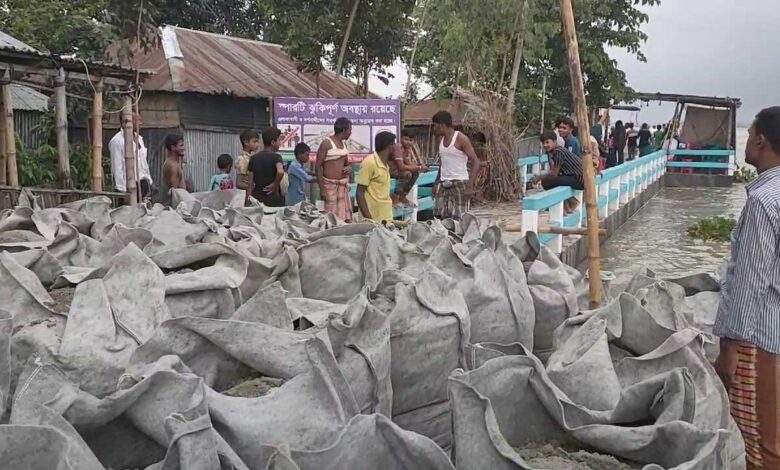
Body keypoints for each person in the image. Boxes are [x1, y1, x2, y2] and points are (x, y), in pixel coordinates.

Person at [713, 106, 780, 469]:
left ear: (759, 140)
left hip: (760, 342)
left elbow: (750, 282)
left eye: (750, 133)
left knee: (758, 445)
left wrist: (730, 348)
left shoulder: (763, 201)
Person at [431, 111, 481, 220]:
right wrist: (436, 183)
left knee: (459, 218)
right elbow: (442, 163)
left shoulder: (461, 139)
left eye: (434, 126)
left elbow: (476, 162)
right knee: (440, 217)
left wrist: (470, 186)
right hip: (444, 183)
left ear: (442, 125)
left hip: (459, 183)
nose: (433, 129)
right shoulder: (441, 140)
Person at [532, 130, 584, 214]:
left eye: (547, 142)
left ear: (555, 141)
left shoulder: (558, 152)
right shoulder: (558, 150)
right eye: (543, 143)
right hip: (576, 178)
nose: (545, 145)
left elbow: (554, 174)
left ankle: (570, 204)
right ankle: (567, 206)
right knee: (552, 181)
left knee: (547, 182)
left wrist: (539, 177)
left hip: (579, 179)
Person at [109, 113, 153, 200]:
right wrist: (123, 192)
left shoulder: (139, 138)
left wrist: (150, 181)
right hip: (129, 186)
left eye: (140, 120)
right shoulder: (117, 141)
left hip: (143, 184)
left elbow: (143, 164)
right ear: (124, 122)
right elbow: (117, 168)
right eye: (136, 120)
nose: (140, 123)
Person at [317, 117, 354, 221]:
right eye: (350, 130)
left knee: (344, 218)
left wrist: (349, 168)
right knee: (331, 218)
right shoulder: (326, 143)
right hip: (330, 188)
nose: (350, 133)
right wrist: (322, 189)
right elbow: (318, 166)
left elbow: (347, 164)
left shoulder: (344, 144)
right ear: (344, 130)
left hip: (342, 187)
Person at [356, 131, 395, 223]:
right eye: (394, 145)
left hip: (385, 216)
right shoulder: (369, 163)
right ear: (389, 146)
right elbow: (359, 193)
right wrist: (369, 219)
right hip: (372, 219)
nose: (395, 149)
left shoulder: (385, 164)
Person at [248, 127, 285, 207]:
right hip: (273, 198)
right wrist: (275, 184)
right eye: (279, 140)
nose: (280, 142)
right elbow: (280, 171)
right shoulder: (276, 157)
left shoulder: (253, 158)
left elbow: (250, 184)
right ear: (273, 142)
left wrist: (247, 201)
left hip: (257, 198)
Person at [391, 128, 429, 207]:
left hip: (397, 170)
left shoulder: (407, 149)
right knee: (407, 174)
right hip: (390, 170)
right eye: (406, 139)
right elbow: (401, 167)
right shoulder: (398, 147)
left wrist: (420, 167)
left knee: (415, 173)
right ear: (401, 138)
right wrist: (418, 168)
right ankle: (395, 197)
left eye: (411, 140)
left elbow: (409, 163)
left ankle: (403, 195)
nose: (409, 142)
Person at [159, 134, 186, 207]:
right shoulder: (172, 165)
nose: (183, 148)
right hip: (174, 208)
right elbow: (175, 193)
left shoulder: (175, 163)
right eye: (181, 145)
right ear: (173, 147)